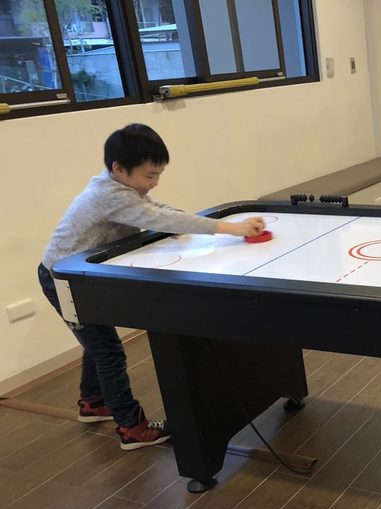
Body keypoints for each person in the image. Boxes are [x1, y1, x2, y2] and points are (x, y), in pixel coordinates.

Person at [39, 123, 266, 450]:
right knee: (108, 351)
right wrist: (232, 228)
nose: (154, 182)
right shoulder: (109, 196)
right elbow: (161, 219)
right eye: (149, 175)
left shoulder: (118, 187)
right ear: (119, 168)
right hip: (62, 280)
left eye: (158, 174)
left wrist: (187, 219)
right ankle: (131, 427)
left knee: (98, 342)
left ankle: (93, 403)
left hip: (79, 276)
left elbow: (159, 210)